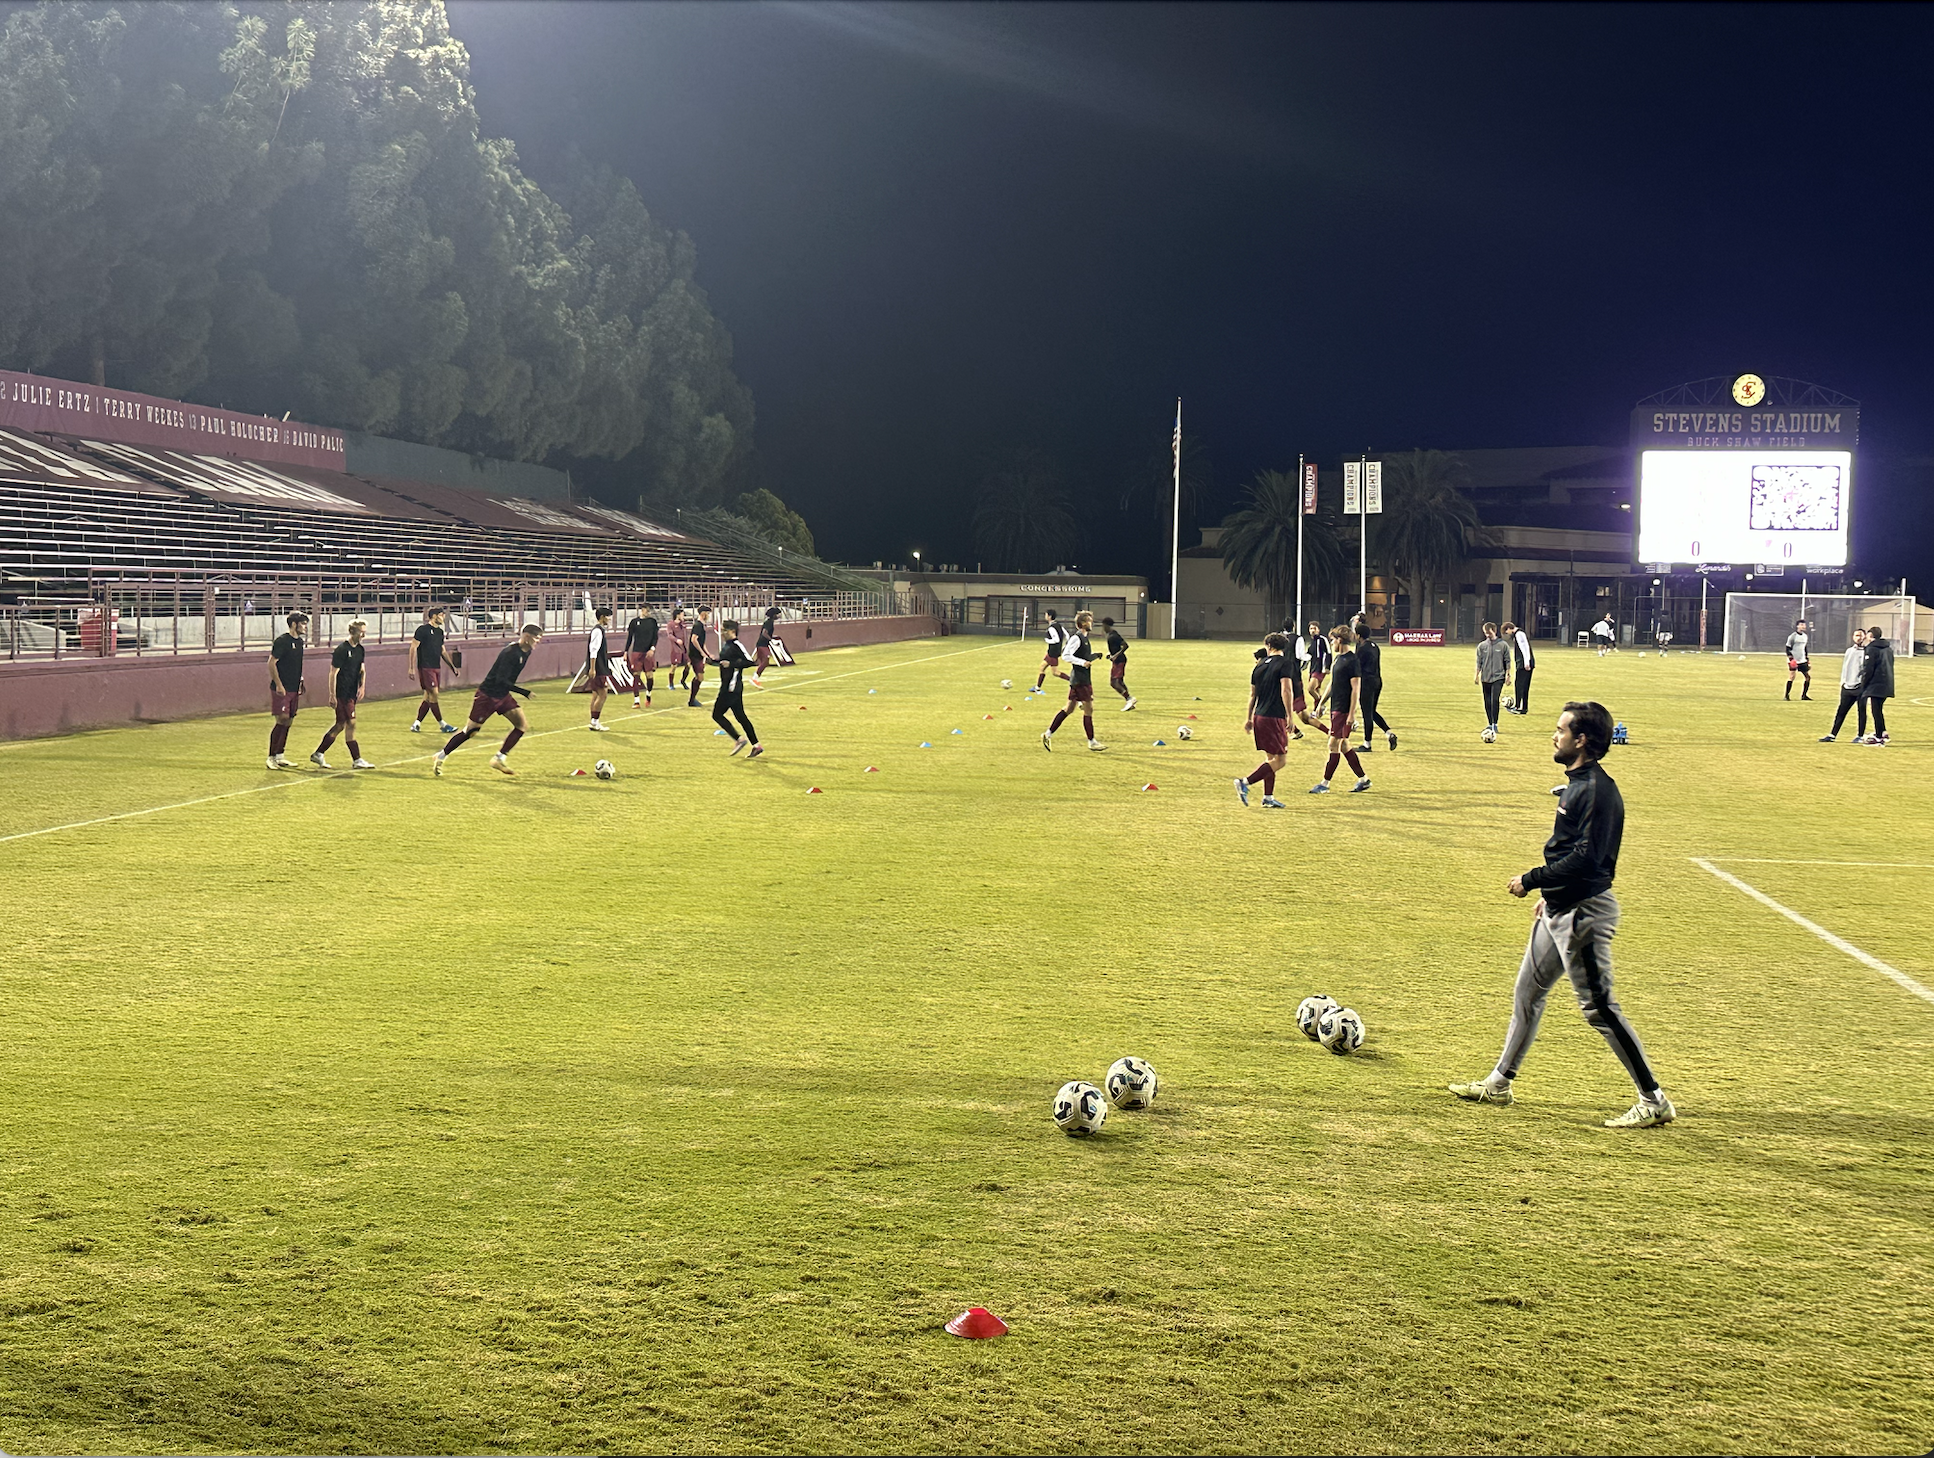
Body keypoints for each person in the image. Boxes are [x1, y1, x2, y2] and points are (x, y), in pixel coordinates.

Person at [1448, 700, 1675, 1129]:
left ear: (1581, 740)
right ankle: (1499, 1083)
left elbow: (1588, 859)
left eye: (1561, 730)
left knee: (1599, 1007)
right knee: (1527, 993)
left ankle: (1653, 1099)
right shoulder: (1579, 783)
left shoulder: (1595, 791)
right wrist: (1550, 894)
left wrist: (1533, 880)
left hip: (1583, 914)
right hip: (1559, 908)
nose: (1555, 736)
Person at [433, 624, 543, 777]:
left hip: (502, 695)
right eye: (536, 638)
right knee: (470, 731)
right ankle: (441, 755)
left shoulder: (527, 651)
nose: (538, 641)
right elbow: (500, 680)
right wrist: (524, 692)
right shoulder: (510, 653)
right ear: (526, 637)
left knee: (521, 725)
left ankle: (499, 759)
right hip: (488, 695)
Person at [1235, 632, 1294, 808]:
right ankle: (1245, 782)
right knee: (1280, 760)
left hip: (1259, 716)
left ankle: (1268, 797)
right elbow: (1286, 690)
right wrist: (1290, 716)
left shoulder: (1259, 666)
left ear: (1268, 646)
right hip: (1274, 716)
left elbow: (1252, 695)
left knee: (1271, 758)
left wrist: (1248, 718)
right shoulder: (1285, 664)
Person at [1310, 626, 1370, 794]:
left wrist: (1352, 714)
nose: (1331, 643)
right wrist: (1321, 703)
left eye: (1333, 640)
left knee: (1333, 744)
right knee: (1344, 745)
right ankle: (1364, 780)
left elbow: (1356, 689)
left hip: (1343, 710)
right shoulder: (1338, 659)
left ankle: (1325, 784)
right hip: (1336, 707)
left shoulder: (1352, 661)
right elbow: (1333, 683)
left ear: (1340, 640)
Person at [311, 619, 374, 770]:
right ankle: (356, 759)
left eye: (364, 632)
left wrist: (362, 687)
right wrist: (332, 695)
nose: (363, 635)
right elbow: (333, 673)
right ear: (353, 632)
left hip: (351, 692)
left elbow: (362, 670)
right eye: (361, 632)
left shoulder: (360, 650)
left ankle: (319, 753)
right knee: (350, 723)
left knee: (341, 724)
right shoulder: (342, 650)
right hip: (342, 693)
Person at [1040, 610, 1105, 751]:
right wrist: (1082, 663)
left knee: (1069, 709)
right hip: (1080, 679)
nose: (1092, 623)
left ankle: (1047, 734)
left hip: (1081, 678)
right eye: (1089, 621)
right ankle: (1092, 741)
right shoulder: (1077, 638)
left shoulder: (1084, 638)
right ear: (1083, 623)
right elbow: (1066, 655)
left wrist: (1095, 656)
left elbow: (1083, 656)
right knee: (1088, 709)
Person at [711, 619, 764, 757]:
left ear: (732, 631)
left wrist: (732, 664)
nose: (722, 632)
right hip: (731, 686)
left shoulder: (736, 645)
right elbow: (725, 662)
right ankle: (756, 745)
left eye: (724, 630)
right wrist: (713, 661)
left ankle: (739, 739)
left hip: (731, 687)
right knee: (741, 717)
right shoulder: (727, 645)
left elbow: (750, 662)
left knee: (717, 715)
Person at [265, 610, 309, 770]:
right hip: (282, 688)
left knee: (289, 720)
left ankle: (280, 755)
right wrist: (279, 684)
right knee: (281, 719)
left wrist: (300, 680)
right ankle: (271, 757)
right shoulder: (282, 641)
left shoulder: (300, 642)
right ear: (294, 624)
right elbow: (271, 663)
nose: (305, 627)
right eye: (303, 624)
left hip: (294, 687)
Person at [410, 606, 461, 734]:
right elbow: (413, 647)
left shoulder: (439, 632)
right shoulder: (422, 630)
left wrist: (452, 667)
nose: (443, 617)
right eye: (441, 615)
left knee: (428, 697)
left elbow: (442, 651)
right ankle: (442, 724)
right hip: (425, 667)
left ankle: (417, 723)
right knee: (434, 693)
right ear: (434, 616)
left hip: (436, 667)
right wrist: (411, 667)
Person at [1353, 620, 1396, 752]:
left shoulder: (1361, 649)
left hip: (1367, 683)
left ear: (1359, 635)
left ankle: (1367, 744)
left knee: (1367, 713)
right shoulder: (1374, 646)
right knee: (1372, 711)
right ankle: (1389, 733)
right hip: (1377, 681)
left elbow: (1356, 667)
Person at [1819, 628, 1869, 743]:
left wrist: (1863, 683)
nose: (1858, 638)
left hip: (1860, 687)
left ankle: (1860, 735)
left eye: (1860, 635)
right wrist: (1843, 682)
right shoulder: (1849, 651)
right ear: (1853, 637)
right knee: (1841, 711)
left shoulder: (1867, 652)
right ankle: (1832, 735)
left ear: (1865, 637)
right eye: (1856, 635)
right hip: (1847, 686)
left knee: (1861, 711)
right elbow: (1845, 667)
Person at [1856, 626, 1896, 746]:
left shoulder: (1871, 648)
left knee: (1875, 710)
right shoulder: (1888, 649)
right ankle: (1883, 732)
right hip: (1887, 682)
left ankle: (1879, 738)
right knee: (1878, 709)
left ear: (1870, 635)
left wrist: (1864, 684)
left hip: (1876, 683)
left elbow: (1869, 668)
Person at [1474, 621, 1510, 739]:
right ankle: (1490, 723)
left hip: (1498, 677)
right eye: (1485, 633)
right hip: (1485, 677)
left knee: (1495, 700)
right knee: (1487, 701)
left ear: (1494, 631)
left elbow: (1507, 661)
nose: (1487, 635)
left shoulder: (1503, 645)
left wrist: (1508, 675)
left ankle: (1495, 724)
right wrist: (1476, 675)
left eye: (1489, 633)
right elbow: (1479, 662)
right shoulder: (1482, 646)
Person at [625, 604, 660, 709]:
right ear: (642, 610)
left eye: (649, 610)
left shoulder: (652, 622)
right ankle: (636, 701)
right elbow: (630, 637)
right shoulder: (634, 622)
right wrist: (626, 651)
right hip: (637, 651)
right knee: (636, 675)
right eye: (647, 610)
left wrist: (652, 648)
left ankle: (648, 694)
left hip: (648, 652)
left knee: (649, 675)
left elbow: (655, 637)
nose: (648, 612)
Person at [1101, 617, 1136, 710]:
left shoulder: (1114, 636)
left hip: (1119, 660)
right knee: (1119, 681)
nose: (1103, 628)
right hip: (1117, 660)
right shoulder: (1110, 634)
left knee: (1114, 682)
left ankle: (1129, 699)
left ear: (1106, 625)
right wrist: (1111, 654)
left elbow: (1125, 645)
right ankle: (1129, 701)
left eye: (1103, 625)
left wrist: (1116, 655)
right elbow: (1115, 648)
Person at [1033, 609, 1069, 693]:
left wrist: (1047, 640)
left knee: (1055, 672)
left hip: (1053, 652)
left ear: (1049, 616)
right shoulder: (1059, 625)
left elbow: (1056, 640)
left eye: (1046, 615)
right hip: (1052, 652)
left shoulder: (1051, 628)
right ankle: (1037, 687)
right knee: (1042, 667)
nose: (1045, 616)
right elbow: (1067, 636)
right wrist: (1064, 646)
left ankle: (1072, 680)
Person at [1504, 620, 1536, 715]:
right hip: (1526, 663)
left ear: (1509, 628)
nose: (1507, 634)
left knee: (1519, 685)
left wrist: (1526, 662)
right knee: (1525, 686)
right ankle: (1524, 707)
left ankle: (1518, 707)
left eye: (1506, 632)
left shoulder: (1519, 634)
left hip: (1523, 664)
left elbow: (1524, 648)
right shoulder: (1520, 633)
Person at [1304, 619, 1331, 706]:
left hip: (1320, 669)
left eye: (1314, 628)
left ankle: (1321, 703)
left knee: (1311, 689)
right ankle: (1317, 709)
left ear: (1318, 630)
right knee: (1316, 689)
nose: (1312, 630)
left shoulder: (1322, 639)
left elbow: (1328, 653)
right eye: (1311, 628)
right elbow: (1308, 656)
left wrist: (1327, 667)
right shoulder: (1312, 643)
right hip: (1313, 669)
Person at [1784, 619, 1813, 701]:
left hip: (1802, 660)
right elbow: (1787, 648)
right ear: (1797, 626)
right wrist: (1791, 659)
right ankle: (1786, 695)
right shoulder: (1792, 636)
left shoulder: (1805, 636)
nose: (1803, 626)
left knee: (1807, 677)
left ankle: (1804, 696)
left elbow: (1805, 648)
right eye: (1801, 625)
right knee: (1792, 677)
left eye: (1804, 625)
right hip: (1794, 660)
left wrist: (1807, 659)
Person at [753, 605, 782, 686]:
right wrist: (771, 640)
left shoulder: (769, 622)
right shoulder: (769, 622)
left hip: (763, 644)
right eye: (777, 614)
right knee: (765, 661)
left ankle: (755, 678)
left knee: (761, 662)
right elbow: (764, 633)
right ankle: (755, 677)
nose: (778, 616)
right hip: (762, 644)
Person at [667, 607, 691, 692]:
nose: (683, 616)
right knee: (674, 666)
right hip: (676, 648)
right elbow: (670, 635)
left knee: (688, 665)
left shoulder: (683, 624)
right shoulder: (671, 624)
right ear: (677, 615)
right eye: (682, 614)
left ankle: (683, 681)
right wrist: (676, 640)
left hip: (684, 648)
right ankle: (671, 683)